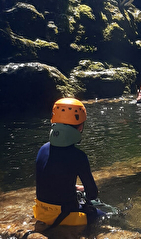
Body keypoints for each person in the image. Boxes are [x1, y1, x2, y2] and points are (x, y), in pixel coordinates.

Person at [32, 98, 104, 238]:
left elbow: (49, 181)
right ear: (80, 127)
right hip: (66, 217)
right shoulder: (79, 156)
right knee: (108, 216)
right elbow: (92, 194)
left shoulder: (43, 149)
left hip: (41, 213)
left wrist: (73, 188)